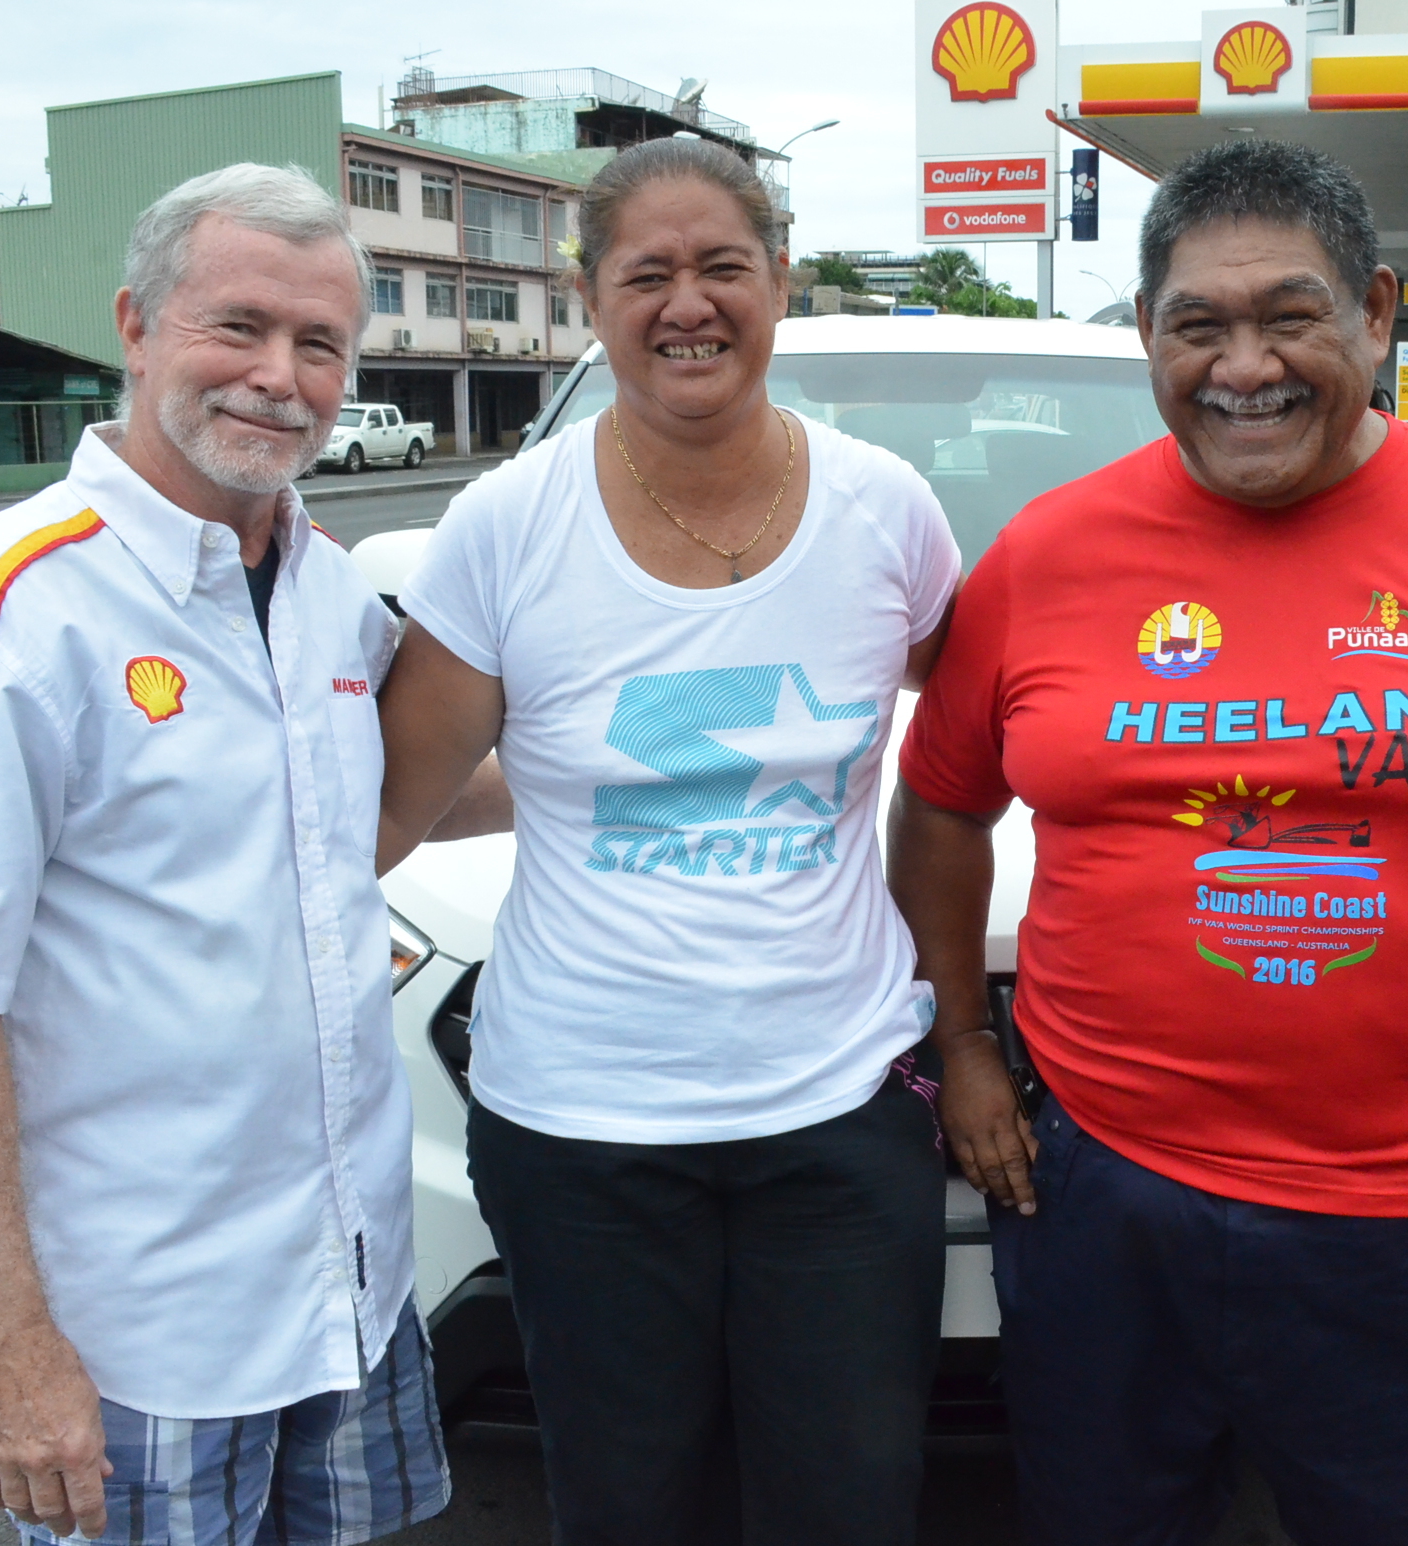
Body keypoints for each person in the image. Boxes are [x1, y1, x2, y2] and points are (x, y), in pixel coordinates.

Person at [891, 140, 1408, 1546]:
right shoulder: (1044, 557)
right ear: (1149, 338)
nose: (1244, 366)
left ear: (1376, 316)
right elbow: (939, 802)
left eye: (1288, 316)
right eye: (1196, 326)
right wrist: (968, 1047)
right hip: (1106, 1200)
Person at [0, 164, 447, 1546]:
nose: (279, 378)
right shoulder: (13, 613)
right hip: (139, 1342)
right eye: (239, 327)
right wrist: (9, 1349)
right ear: (137, 325)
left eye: (320, 344)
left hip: (344, 1288)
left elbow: (407, 797)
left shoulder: (327, 588)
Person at [373, 137, 961, 1546]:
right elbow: (388, 806)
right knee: (631, 1503)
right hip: (581, 1131)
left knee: (852, 1498)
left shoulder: (886, 510)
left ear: (780, 280)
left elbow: (973, 743)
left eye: (721, 267)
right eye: (647, 272)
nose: (685, 302)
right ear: (590, 295)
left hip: (836, 1114)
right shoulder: (506, 526)